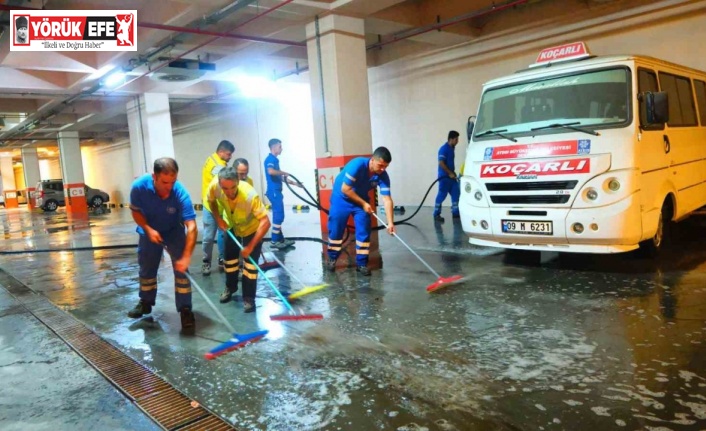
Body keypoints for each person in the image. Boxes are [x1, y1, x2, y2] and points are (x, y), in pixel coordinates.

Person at [128, 158, 197, 328]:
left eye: (173, 181)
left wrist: (186, 257)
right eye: (165, 182)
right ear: (154, 176)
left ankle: (185, 309)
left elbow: (192, 227)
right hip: (149, 230)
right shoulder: (139, 187)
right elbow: (135, 212)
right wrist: (147, 229)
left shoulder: (180, 192)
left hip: (173, 230)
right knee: (147, 266)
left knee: (182, 272)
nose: (169, 186)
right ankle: (145, 302)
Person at [206, 167, 271, 313]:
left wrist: (251, 246)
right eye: (225, 188)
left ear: (238, 182)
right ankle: (230, 287)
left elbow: (266, 222)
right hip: (232, 226)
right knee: (229, 261)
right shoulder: (214, 187)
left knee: (250, 268)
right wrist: (218, 219)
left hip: (252, 229)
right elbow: (212, 202)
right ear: (219, 184)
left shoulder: (249, 195)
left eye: (232, 187)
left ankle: (248, 297)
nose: (229, 192)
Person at [325, 146, 396, 276]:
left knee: (364, 230)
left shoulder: (382, 175)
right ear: (372, 160)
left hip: (360, 199)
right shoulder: (357, 165)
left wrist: (390, 222)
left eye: (385, 167)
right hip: (341, 198)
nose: (383, 169)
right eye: (380, 165)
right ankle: (332, 258)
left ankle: (362, 263)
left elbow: (387, 199)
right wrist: (364, 203)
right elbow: (345, 189)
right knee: (336, 229)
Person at [201, 140, 234, 275]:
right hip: (210, 204)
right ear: (220, 152)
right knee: (209, 236)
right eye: (228, 154)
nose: (230, 156)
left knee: (223, 233)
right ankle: (206, 261)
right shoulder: (219, 166)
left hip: (221, 205)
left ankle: (222, 259)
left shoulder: (211, 158)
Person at [263, 138, 302, 249]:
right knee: (279, 215)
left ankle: (280, 239)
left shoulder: (275, 160)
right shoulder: (270, 159)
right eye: (280, 147)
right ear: (274, 147)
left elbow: (281, 177)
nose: (281, 149)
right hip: (273, 191)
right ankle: (275, 241)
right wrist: (285, 172)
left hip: (277, 191)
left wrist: (295, 183)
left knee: (278, 215)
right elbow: (270, 171)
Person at [433, 130, 461, 223]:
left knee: (456, 193)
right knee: (441, 195)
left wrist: (453, 173)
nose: (457, 141)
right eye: (456, 139)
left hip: (451, 178)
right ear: (451, 139)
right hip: (444, 178)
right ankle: (436, 214)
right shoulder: (443, 149)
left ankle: (455, 213)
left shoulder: (452, 148)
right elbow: (441, 163)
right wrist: (449, 173)